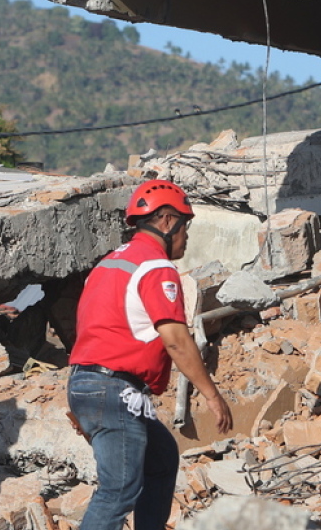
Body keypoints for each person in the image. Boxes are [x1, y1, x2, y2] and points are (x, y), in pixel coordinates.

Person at [68, 179, 234, 530]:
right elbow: (175, 339)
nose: (186, 236)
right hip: (115, 390)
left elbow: (90, 332)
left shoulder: (107, 264)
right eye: (185, 225)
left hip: (89, 382)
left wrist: (85, 397)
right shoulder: (155, 267)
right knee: (118, 490)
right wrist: (213, 395)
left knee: (160, 458)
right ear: (167, 220)